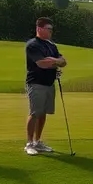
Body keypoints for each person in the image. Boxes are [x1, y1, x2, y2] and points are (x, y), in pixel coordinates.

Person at [24, 17, 66, 155]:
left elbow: (63, 61)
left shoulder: (51, 45)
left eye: (51, 29)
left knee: (43, 114)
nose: (50, 32)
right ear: (39, 28)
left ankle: (38, 142)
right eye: (48, 29)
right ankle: (29, 143)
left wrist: (54, 60)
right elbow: (41, 63)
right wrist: (56, 63)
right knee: (35, 112)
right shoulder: (33, 45)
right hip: (36, 83)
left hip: (49, 83)